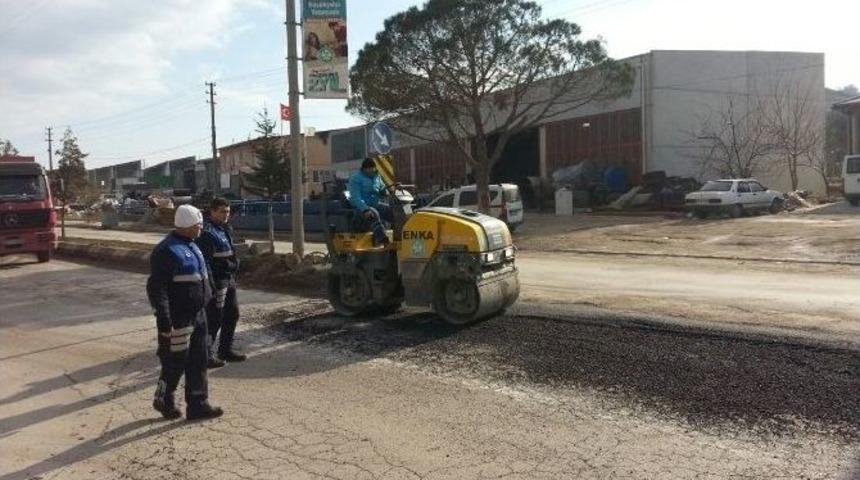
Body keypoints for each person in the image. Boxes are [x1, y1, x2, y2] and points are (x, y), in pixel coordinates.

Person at [147, 204, 223, 421]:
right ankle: (164, 398)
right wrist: (164, 319)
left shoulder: (193, 245)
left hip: (198, 315)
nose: (201, 228)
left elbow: (204, 276)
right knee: (175, 361)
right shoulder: (166, 251)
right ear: (188, 226)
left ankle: (198, 405)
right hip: (179, 318)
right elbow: (157, 288)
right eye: (198, 225)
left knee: (199, 360)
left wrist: (211, 296)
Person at [197, 197, 246, 368]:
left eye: (228, 212)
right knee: (214, 318)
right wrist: (210, 284)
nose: (226, 215)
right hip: (218, 280)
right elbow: (205, 262)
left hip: (228, 278)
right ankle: (205, 355)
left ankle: (225, 350)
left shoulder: (224, 228)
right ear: (212, 211)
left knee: (232, 314)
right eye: (222, 212)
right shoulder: (207, 232)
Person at [348, 157, 392, 246]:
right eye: (370, 169)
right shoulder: (356, 179)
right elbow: (356, 197)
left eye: (373, 168)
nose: (372, 171)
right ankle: (382, 239)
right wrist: (365, 209)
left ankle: (400, 236)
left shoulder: (377, 177)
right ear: (364, 168)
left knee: (391, 211)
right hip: (360, 209)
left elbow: (382, 188)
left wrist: (386, 191)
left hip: (375, 204)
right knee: (373, 213)